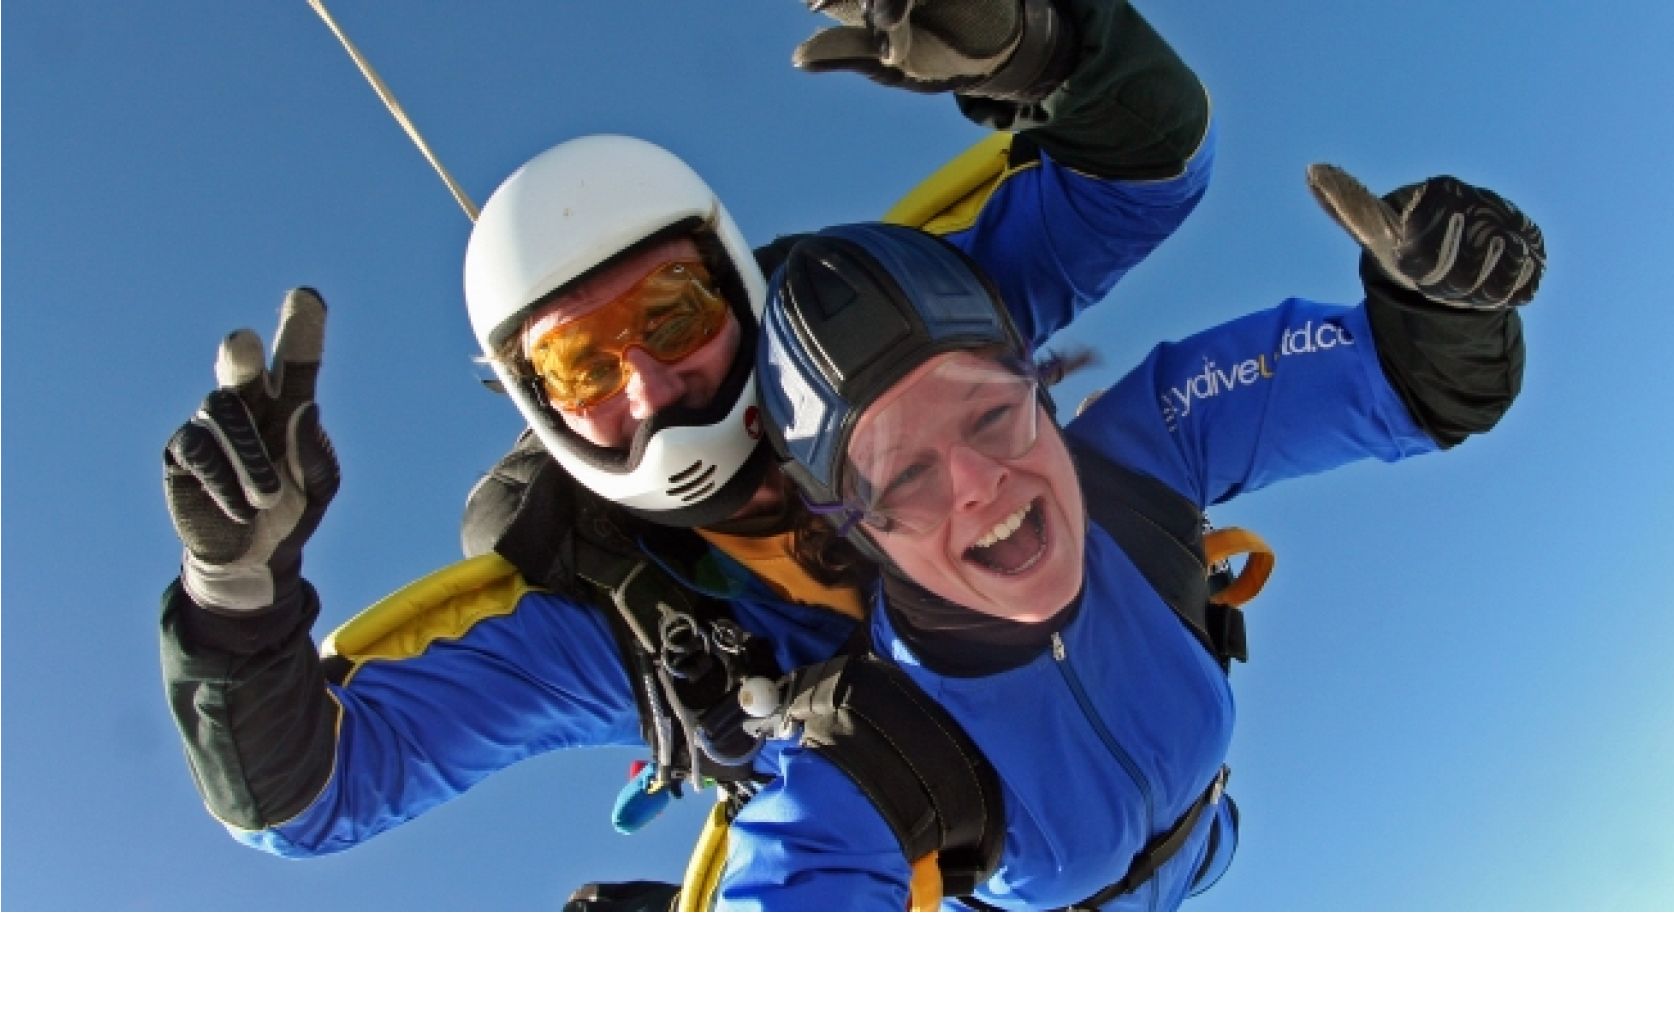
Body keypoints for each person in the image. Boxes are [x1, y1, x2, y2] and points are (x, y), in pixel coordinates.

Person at [157, 0, 1216, 875]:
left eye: (672, 313)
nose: (652, 384)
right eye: (582, 367)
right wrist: (232, 598)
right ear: (540, 410)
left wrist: (1043, 44)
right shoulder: (612, 626)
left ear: (740, 293)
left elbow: (1141, 173)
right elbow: (310, 797)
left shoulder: (892, 342)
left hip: (1190, 780)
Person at [717, 168, 1545, 910]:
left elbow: (1400, 382)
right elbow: (794, 885)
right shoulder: (875, 755)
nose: (977, 482)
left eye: (991, 414)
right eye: (904, 477)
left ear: (1039, 392)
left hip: (1210, 842)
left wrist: (1444, 309)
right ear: (862, 535)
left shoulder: (1136, 466)